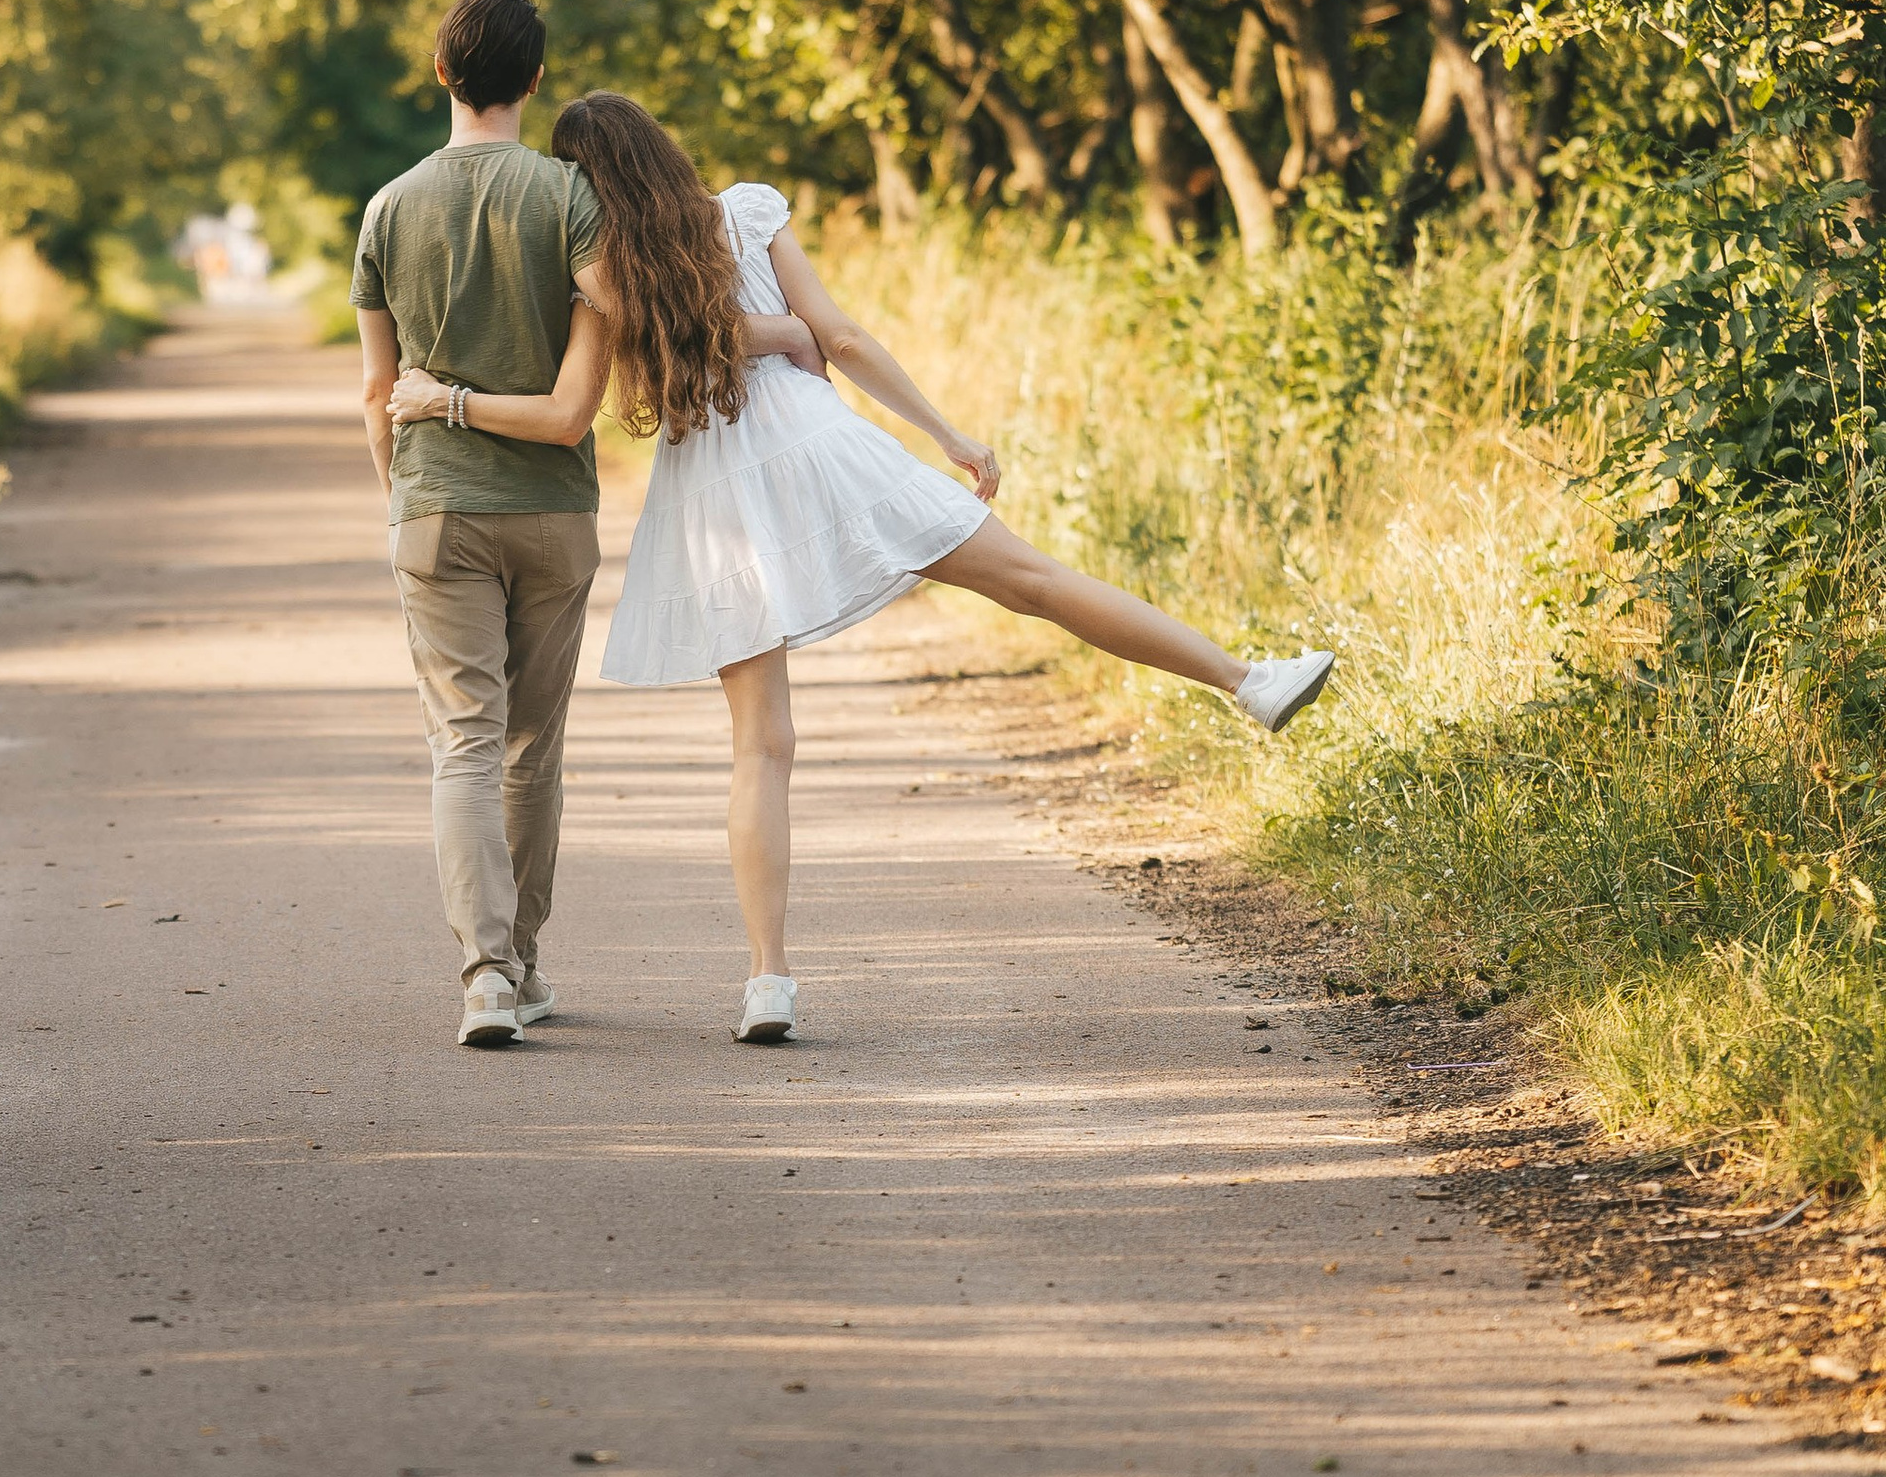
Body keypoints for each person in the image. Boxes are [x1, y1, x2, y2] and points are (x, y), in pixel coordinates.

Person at [387, 92, 1333, 1045]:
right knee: (1036, 585)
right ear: (664, 153)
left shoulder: (602, 275)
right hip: (814, 450)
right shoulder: (741, 216)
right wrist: (945, 432)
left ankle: (770, 982)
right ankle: (1246, 680)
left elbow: (593, 392)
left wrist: (446, 399)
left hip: (712, 493)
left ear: (585, 182)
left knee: (762, 746)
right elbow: (837, 337)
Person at [353, 0, 824, 1047]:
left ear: (442, 70)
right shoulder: (570, 196)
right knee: (529, 745)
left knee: (463, 742)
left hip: (434, 505)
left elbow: (378, 388)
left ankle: (484, 977)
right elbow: (616, 351)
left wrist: (404, 486)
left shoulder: (387, 207)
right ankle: (521, 967)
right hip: (551, 511)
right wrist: (790, 330)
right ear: (532, 81)